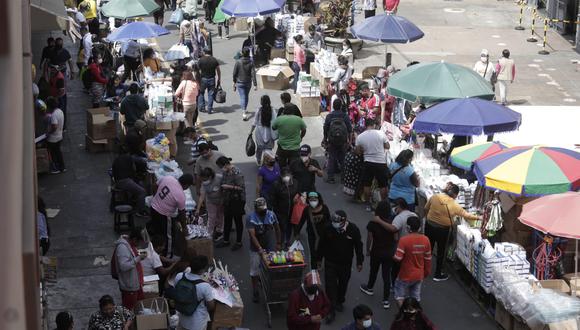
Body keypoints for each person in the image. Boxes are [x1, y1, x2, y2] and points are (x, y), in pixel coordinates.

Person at [424, 183, 480, 281]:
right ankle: (437, 274)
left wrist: (431, 218)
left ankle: (422, 269)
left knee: (428, 248)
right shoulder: (454, 205)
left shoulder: (435, 197)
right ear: (455, 195)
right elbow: (466, 215)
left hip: (429, 226)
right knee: (441, 251)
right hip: (442, 230)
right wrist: (479, 217)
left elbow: (426, 208)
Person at [317, 210, 364, 324]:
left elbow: (358, 246)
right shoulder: (328, 228)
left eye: (337, 222)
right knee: (330, 286)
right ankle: (330, 310)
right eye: (333, 222)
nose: (335, 224)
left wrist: (359, 261)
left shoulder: (353, 230)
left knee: (343, 284)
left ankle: (339, 300)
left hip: (345, 264)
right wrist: (319, 259)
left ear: (344, 221)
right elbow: (321, 244)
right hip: (330, 262)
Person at [360, 198, 397, 309]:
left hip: (376, 251)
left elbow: (369, 238)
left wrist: (367, 250)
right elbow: (395, 237)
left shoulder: (373, 223)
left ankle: (370, 288)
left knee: (374, 271)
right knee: (386, 276)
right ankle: (386, 300)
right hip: (389, 252)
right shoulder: (392, 221)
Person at [150, 174, 194, 257]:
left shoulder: (168, 178)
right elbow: (182, 214)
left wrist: (156, 197)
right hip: (164, 215)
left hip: (153, 208)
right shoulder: (180, 195)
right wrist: (184, 228)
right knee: (168, 237)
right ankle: (167, 256)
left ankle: (155, 252)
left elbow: (154, 185)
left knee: (157, 232)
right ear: (187, 185)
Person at [247, 197, 281, 302]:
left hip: (270, 244)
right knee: (254, 271)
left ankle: (270, 287)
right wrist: (260, 249)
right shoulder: (251, 218)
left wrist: (279, 243)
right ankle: (255, 291)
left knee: (271, 267)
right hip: (256, 247)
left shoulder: (271, 215)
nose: (263, 211)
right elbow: (252, 235)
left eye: (264, 209)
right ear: (256, 209)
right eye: (261, 209)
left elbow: (277, 228)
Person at [393, 216, 431, 305]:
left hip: (405, 275)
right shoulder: (426, 240)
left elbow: (398, 258)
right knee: (415, 300)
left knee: (400, 297)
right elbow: (428, 259)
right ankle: (413, 316)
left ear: (408, 227)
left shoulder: (404, 240)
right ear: (420, 228)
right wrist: (426, 273)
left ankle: (403, 315)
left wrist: (392, 255)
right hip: (419, 275)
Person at [172, 255, 216, 330]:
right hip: (197, 323)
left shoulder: (179, 276)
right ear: (202, 270)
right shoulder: (205, 286)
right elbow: (211, 306)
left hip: (182, 318)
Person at [356, 118, 390, 210]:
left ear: (365, 125)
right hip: (380, 162)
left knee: (367, 185)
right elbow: (387, 146)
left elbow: (358, 152)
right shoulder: (380, 133)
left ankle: (368, 205)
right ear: (374, 125)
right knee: (383, 185)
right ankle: (384, 205)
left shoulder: (360, 137)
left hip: (368, 163)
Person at [216, 156, 245, 250]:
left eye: (221, 166)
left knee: (238, 221)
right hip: (227, 199)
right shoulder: (225, 172)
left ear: (226, 164)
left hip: (237, 200)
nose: (221, 169)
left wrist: (228, 187)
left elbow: (241, 188)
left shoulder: (237, 172)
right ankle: (226, 240)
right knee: (227, 220)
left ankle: (239, 242)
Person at [295, 191, 330, 268]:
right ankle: (313, 271)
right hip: (312, 235)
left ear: (319, 200)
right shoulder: (307, 210)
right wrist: (297, 233)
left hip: (323, 234)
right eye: (311, 200)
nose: (313, 202)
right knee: (313, 253)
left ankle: (319, 260)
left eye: (315, 200)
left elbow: (329, 221)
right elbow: (301, 222)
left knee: (321, 250)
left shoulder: (324, 208)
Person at [113, 227, 146, 310]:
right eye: (139, 242)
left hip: (134, 283)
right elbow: (123, 266)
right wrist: (138, 258)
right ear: (134, 239)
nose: (139, 245)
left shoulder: (129, 245)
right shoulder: (122, 248)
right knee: (129, 310)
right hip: (129, 286)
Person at [323, 99, 352, 183]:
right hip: (343, 141)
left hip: (332, 141)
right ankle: (343, 178)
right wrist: (349, 141)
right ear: (340, 106)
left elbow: (325, 129)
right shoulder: (345, 116)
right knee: (343, 159)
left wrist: (325, 140)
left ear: (333, 106)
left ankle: (331, 178)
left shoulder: (329, 116)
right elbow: (350, 129)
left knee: (331, 158)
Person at [269, 168, 300, 247]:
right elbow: (272, 198)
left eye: (288, 175)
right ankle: (280, 242)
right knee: (281, 227)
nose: (286, 177)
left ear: (291, 175)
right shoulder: (276, 184)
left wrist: (298, 195)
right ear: (281, 176)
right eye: (284, 176)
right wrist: (274, 210)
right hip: (280, 211)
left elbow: (299, 191)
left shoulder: (295, 182)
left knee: (289, 226)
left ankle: (287, 241)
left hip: (292, 210)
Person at [112, 149, 148, 216]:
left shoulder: (117, 159)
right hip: (123, 181)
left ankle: (135, 200)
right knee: (142, 191)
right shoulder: (130, 158)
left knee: (140, 184)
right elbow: (134, 170)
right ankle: (141, 211)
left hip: (119, 180)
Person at [195, 167, 224, 240]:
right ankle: (209, 233)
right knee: (211, 217)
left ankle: (219, 230)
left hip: (221, 200)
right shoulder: (204, 184)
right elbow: (202, 196)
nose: (204, 181)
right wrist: (198, 209)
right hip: (210, 201)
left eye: (205, 179)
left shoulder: (219, 178)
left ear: (210, 177)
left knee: (220, 216)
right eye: (203, 179)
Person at [250, 95, 278, 164]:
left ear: (261, 102)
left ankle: (258, 159)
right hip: (269, 133)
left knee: (259, 148)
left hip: (259, 132)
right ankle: (268, 161)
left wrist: (250, 132)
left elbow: (254, 122)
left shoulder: (259, 110)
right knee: (269, 148)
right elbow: (275, 122)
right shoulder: (272, 110)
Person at [233, 48, 257, 121]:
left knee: (243, 96)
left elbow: (234, 73)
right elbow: (253, 74)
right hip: (248, 82)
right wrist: (255, 84)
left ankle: (244, 112)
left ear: (242, 53)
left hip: (240, 82)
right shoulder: (251, 62)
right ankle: (244, 109)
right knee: (246, 96)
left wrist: (234, 82)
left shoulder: (238, 62)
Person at [45, 97, 66, 174]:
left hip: (53, 138)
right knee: (58, 152)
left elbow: (54, 126)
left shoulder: (53, 115)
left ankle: (56, 168)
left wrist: (48, 132)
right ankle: (62, 167)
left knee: (53, 153)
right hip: (60, 136)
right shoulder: (60, 111)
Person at [197, 47, 221, 114]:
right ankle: (210, 109)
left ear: (204, 52)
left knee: (201, 93)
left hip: (203, 79)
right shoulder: (214, 60)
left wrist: (197, 79)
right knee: (211, 94)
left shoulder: (201, 60)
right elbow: (218, 70)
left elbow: (197, 70)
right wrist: (219, 78)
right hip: (212, 79)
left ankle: (202, 107)